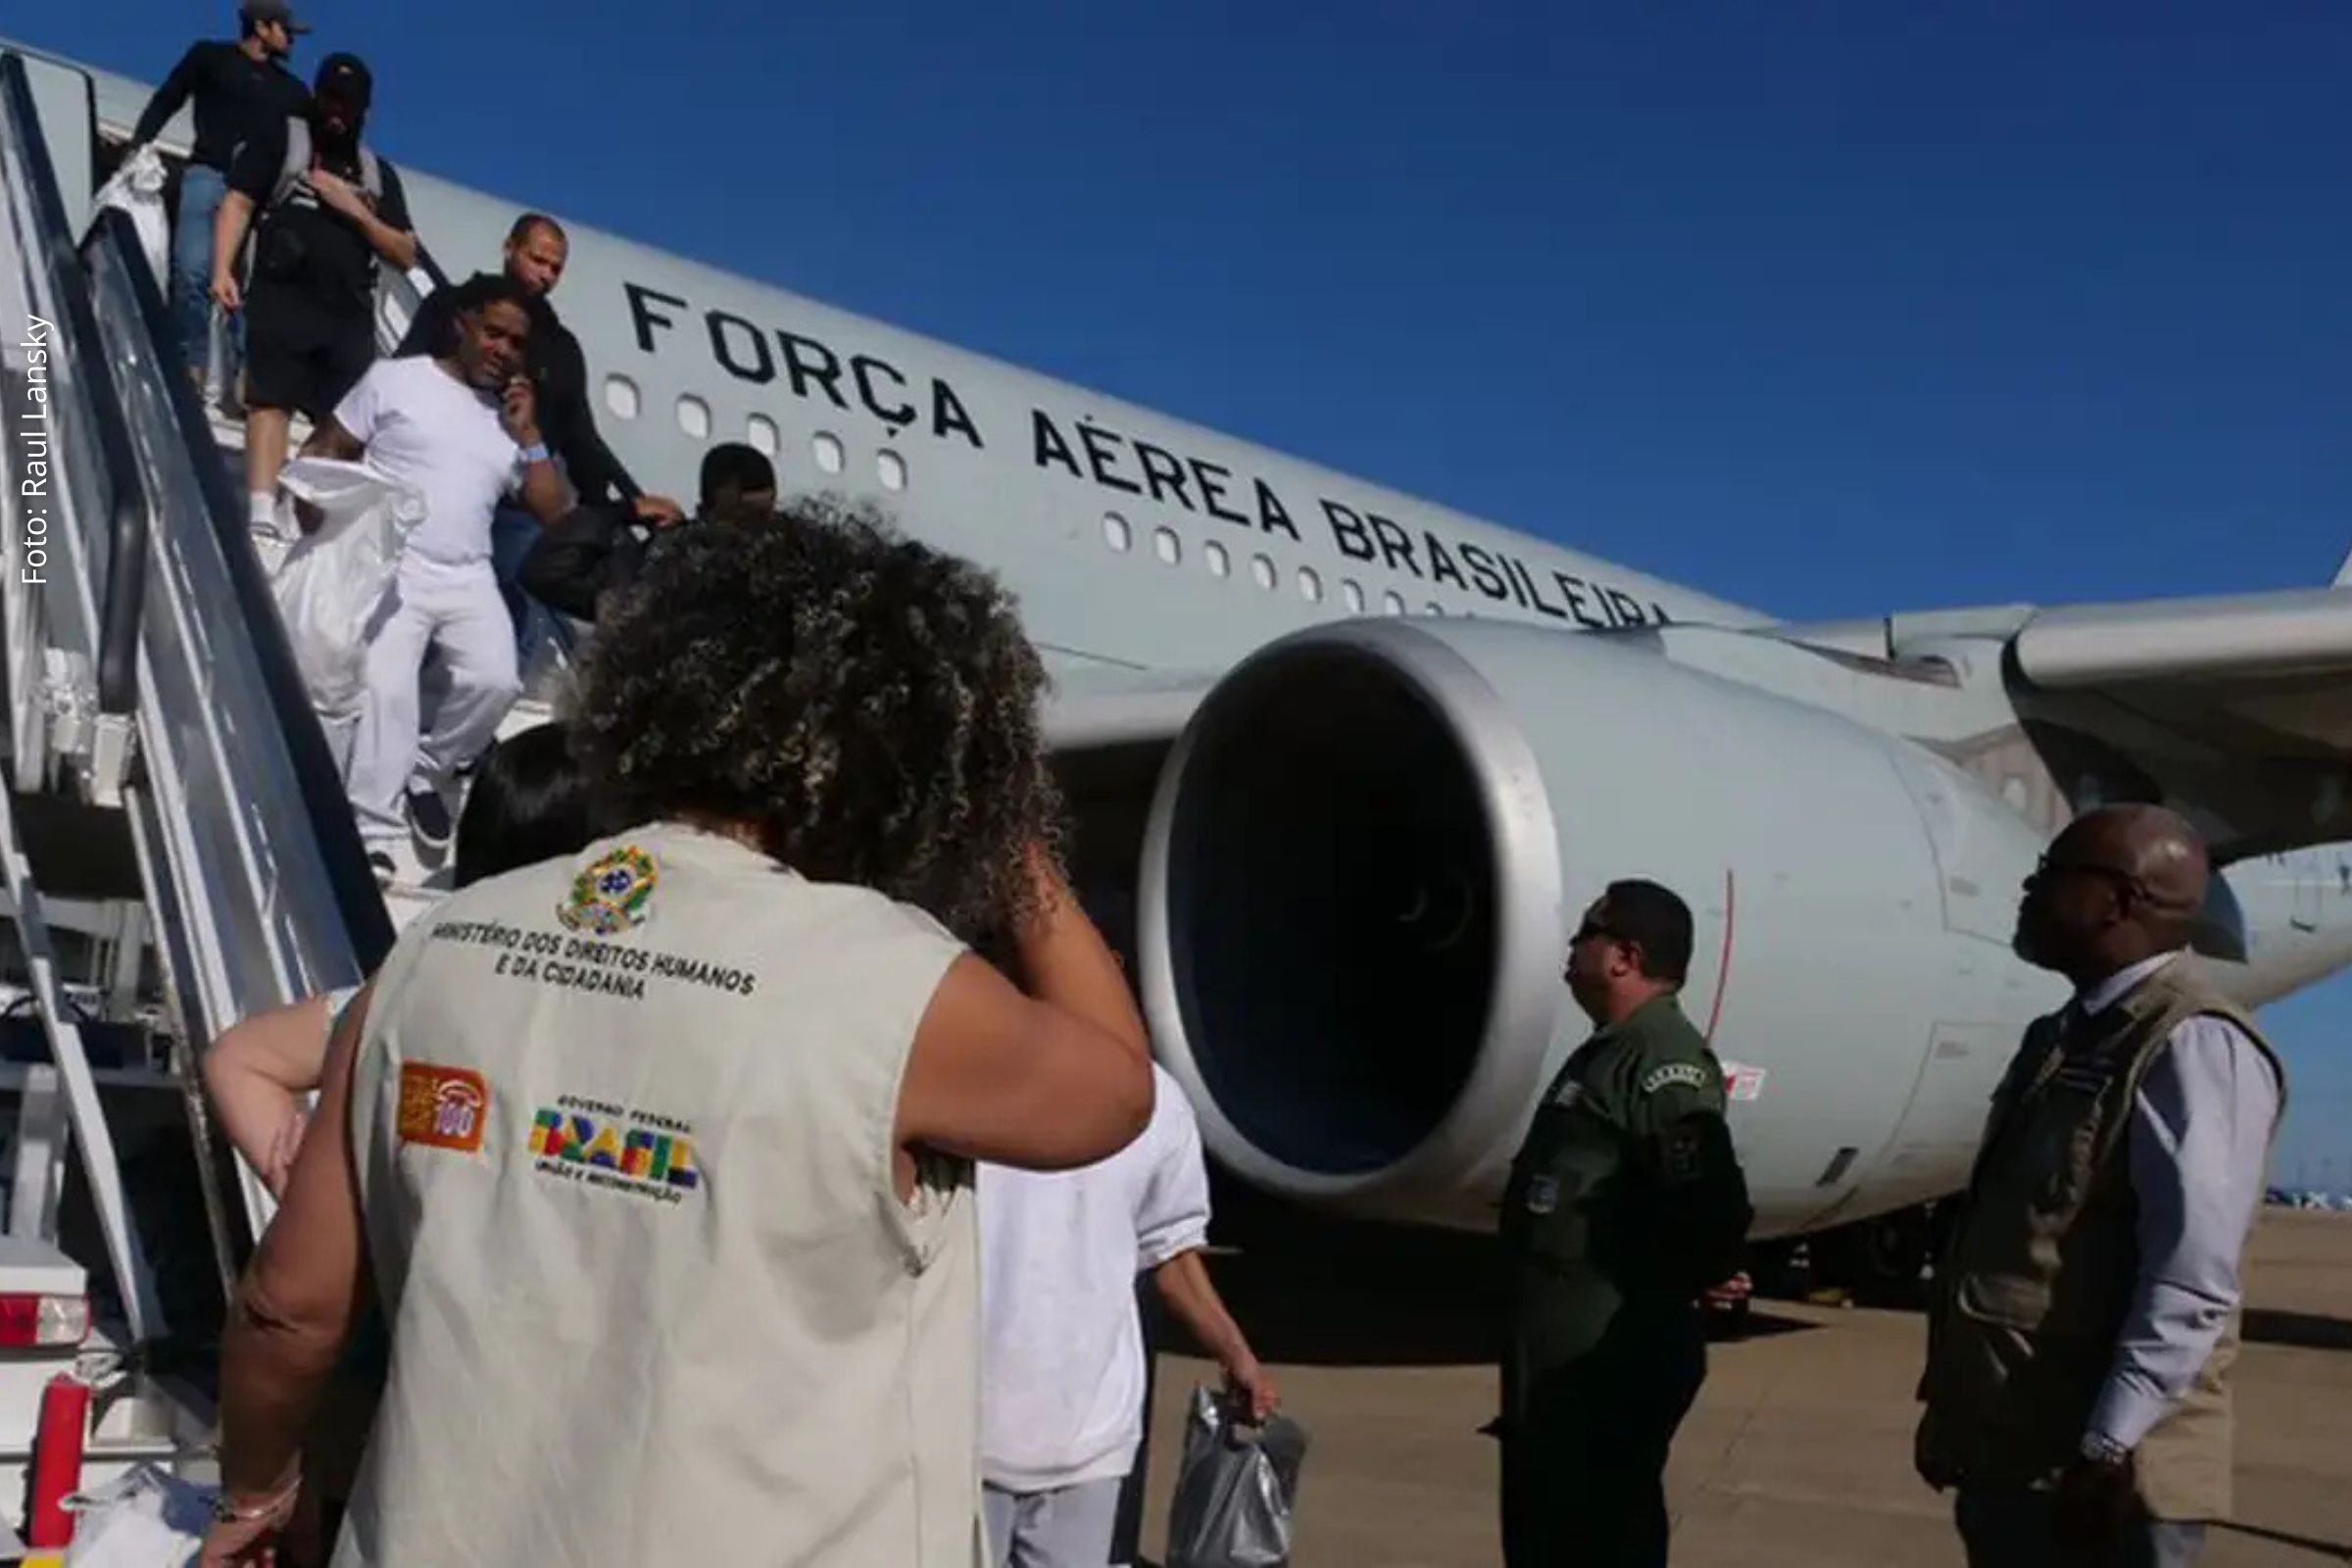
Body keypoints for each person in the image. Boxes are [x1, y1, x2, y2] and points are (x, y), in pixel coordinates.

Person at [197, 514, 1155, 1567]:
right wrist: (1004, 826)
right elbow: (1114, 1086)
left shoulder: (432, 953)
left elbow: (289, 1310)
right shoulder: (899, 989)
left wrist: (261, 1489)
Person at [202, 720, 622, 1566]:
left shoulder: (414, 990)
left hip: (378, 1375)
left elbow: (238, 1056)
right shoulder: (636, 1028)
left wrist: (309, 1164)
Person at [1915, 805, 2284, 1568]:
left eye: (2050, 874)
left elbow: (2191, 1278)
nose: (2027, 889)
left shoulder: (2191, 1043)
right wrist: (1956, 1421)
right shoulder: (2062, 1036)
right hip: (2018, 1454)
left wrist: (2109, 1444)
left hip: (2100, 1481)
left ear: (2118, 902)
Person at [1496, 878, 1752, 1568]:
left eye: (1586, 934)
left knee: (1599, 1540)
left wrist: (1688, 1281)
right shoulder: (1606, 1052)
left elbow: (1709, 1205)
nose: (1572, 947)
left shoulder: (1659, 1062)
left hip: (1605, 1373)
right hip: (1558, 1372)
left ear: (1623, 958)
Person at [297, 272, 571, 870]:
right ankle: (373, 831)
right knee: (387, 689)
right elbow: (328, 443)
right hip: (398, 564)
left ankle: (429, 769)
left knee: (495, 680)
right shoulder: (395, 381)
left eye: (516, 343)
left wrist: (528, 437)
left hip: (466, 572)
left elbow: (554, 510)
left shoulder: (508, 422)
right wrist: (314, 502)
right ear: (461, 326)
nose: (503, 350)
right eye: (493, 333)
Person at [979, 1061, 1276, 1568]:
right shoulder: (964, 1079)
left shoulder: (1155, 1099)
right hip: (960, 1438)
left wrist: (1234, 1351)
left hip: (1093, 1437)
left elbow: (1170, 1248)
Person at [396, 215, 665, 657]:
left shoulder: (560, 347)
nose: (545, 274)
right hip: (449, 483)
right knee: (424, 599)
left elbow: (579, 434)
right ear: (509, 249)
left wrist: (605, 515)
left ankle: (476, 706)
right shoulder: (453, 309)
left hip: (517, 500)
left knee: (505, 616)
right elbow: (405, 375)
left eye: (555, 268)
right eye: (537, 259)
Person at [212, 51, 416, 534]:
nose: (336, 111)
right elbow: (239, 203)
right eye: (329, 98)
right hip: (284, 291)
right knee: (270, 398)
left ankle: (294, 503)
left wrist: (355, 210)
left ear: (364, 109)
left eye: (348, 104)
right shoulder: (285, 140)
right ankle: (261, 508)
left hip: (347, 308)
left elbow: (405, 251)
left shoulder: (376, 174)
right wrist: (222, 268)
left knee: (339, 420)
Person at [126, 0, 313, 404]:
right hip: (207, 175)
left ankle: (245, 380)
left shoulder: (294, 93)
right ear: (262, 28)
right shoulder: (210, 57)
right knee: (192, 269)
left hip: (256, 199)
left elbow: (306, 151)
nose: (291, 38)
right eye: (285, 29)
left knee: (244, 288)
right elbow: (168, 98)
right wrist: (137, 145)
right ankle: (189, 364)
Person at [516, 442, 777, 622]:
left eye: (764, 517)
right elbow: (547, 575)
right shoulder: (665, 567)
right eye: (742, 518)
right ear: (706, 512)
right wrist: (619, 512)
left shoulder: (783, 571)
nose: (753, 533)